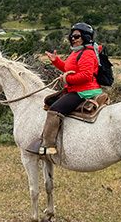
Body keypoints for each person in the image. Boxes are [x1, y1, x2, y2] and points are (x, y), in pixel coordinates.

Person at [26, 22, 103, 155]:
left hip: (84, 91)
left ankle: (48, 146)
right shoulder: (77, 52)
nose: (73, 39)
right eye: (71, 36)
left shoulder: (88, 53)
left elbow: (86, 75)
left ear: (85, 37)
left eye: (77, 36)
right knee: (49, 101)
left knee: (55, 109)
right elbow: (68, 69)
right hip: (76, 89)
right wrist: (56, 61)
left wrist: (67, 79)